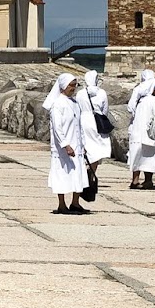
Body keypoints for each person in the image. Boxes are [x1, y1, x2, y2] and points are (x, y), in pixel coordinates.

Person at [42, 72, 89, 214]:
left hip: (77, 146)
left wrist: (83, 144)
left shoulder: (75, 103)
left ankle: (75, 202)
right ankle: (61, 204)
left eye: (75, 85)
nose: (73, 88)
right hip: (64, 147)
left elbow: (79, 125)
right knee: (62, 175)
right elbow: (57, 127)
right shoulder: (58, 104)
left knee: (78, 174)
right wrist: (65, 145)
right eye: (71, 85)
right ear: (63, 86)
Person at [127, 70, 155, 190]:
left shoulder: (140, 97)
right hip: (150, 133)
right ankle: (153, 181)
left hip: (137, 129)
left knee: (137, 154)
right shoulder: (154, 100)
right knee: (153, 155)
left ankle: (136, 180)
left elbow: (130, 108)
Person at [78, 69, 111, 181]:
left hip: (83, 120)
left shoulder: (80, 93)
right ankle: (91, 172)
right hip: (96, 121)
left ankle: (84, 171)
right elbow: (105, 110)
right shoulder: (101, 93)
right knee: (96, 149)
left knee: (85, 147)